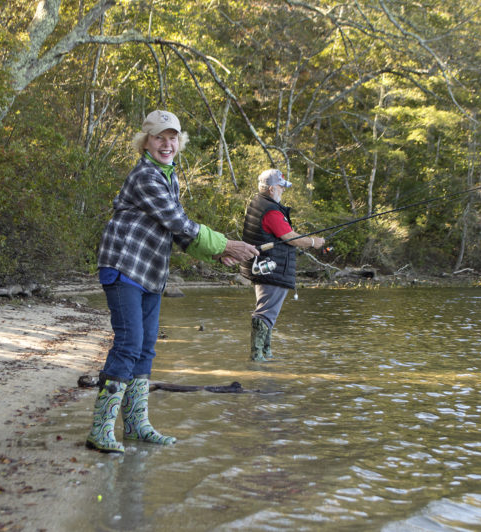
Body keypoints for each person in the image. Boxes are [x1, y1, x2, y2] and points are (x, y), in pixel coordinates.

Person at [86, 110, 258, 453]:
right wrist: (225, 243)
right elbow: (178, 220)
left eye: (172, 138)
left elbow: (175, 231)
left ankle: (136, 426)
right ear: (146, 142)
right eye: (159, 138)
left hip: (149, 273)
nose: (167, 144)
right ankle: (100, 430)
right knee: (129, 344)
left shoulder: (169, 177)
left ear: (179, 142)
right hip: (123, 267)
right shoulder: (146, 176)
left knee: (146, 348)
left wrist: (215, 254)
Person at [239, 169, 324, 362]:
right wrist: (313, 242)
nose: (282, 191)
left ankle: (265, 355)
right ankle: (257, 359)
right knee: (266, 313)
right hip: (271, 268)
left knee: (268, 312)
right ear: (271, 189)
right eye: (280, 187)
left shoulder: (259, 203)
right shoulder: (271, 211)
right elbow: (290, 237)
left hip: (263, 266)